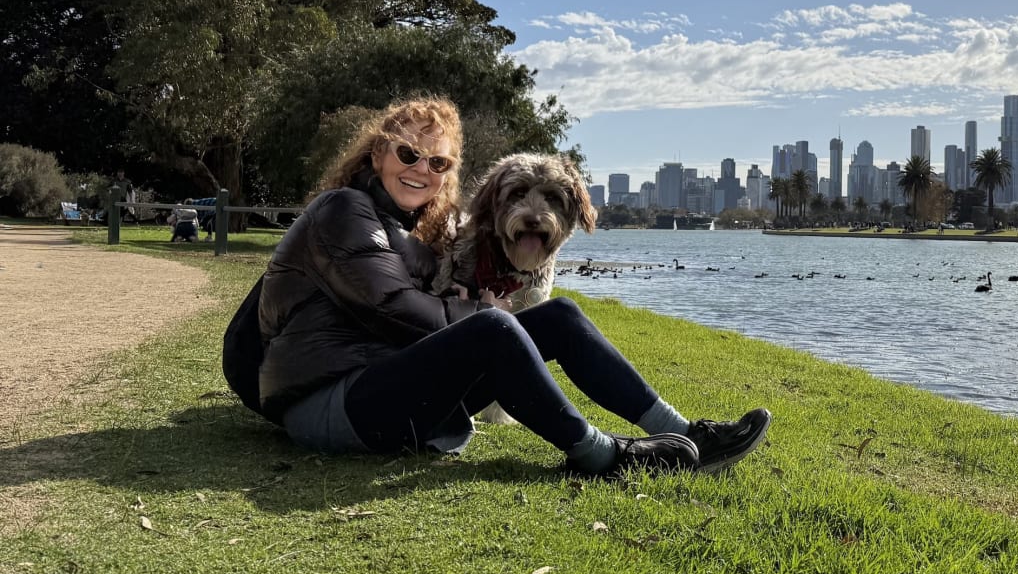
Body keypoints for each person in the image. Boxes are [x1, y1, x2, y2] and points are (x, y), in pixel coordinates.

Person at [248, 96, 770, 476]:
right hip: (332, 403)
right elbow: (392, 307)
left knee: (560, 316)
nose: (421, 169)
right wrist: (477, 310)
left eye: (438, 162)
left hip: (388, 384)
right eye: (408, 154)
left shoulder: (416, 229)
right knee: (495, 326)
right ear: (377, 153)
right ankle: (603, 455)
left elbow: (416, 304)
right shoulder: (344, 209)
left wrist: (462, 305)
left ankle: (683, 430)